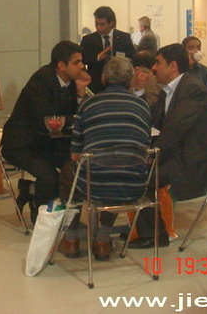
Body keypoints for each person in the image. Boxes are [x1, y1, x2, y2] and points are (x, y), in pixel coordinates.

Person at [60, 57, 151, 260]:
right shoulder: (142, 106)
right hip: (134, 184)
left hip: (95, 184)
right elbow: (145, 148)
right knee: (120, 167)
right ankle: (102, 239)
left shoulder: (88, 105)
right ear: (131, 80)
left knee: (69, 171)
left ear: (103, 79)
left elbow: (75, 155)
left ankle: (72, 239)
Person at [131, 44, 207, 249]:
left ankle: (155, 234)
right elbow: (153, 120)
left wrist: (153, 157)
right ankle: (139, 231)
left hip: (192, 163)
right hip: (176, 155)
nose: (153, 68)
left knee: (141, 177)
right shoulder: (170, 90)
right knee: (135, 171)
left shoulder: (192, 88)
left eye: (157, 63)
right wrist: (139, 91)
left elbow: (175, 129)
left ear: (172, 65)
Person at [1, 41, 91, 224]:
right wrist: (74, 118)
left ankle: (68, 219)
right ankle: (42, 215)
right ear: (61, 65)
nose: (82, 67)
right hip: (24, 144)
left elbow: (68, 117)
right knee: (50, 178)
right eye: (76, 62)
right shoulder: (41, 81)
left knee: (76, 169)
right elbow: (48, 120)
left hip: (51, 141)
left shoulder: (72, 83)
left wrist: (81, 94)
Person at [81, 6, 135, 93]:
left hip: (121, 83)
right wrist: (97, 57)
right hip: (96, 84)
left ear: (111, 23)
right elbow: (83, 60)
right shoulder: (88, 40)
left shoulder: (124, 38)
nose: (98, 27)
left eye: (102, 24)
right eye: (96, 24)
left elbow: (132, 58)